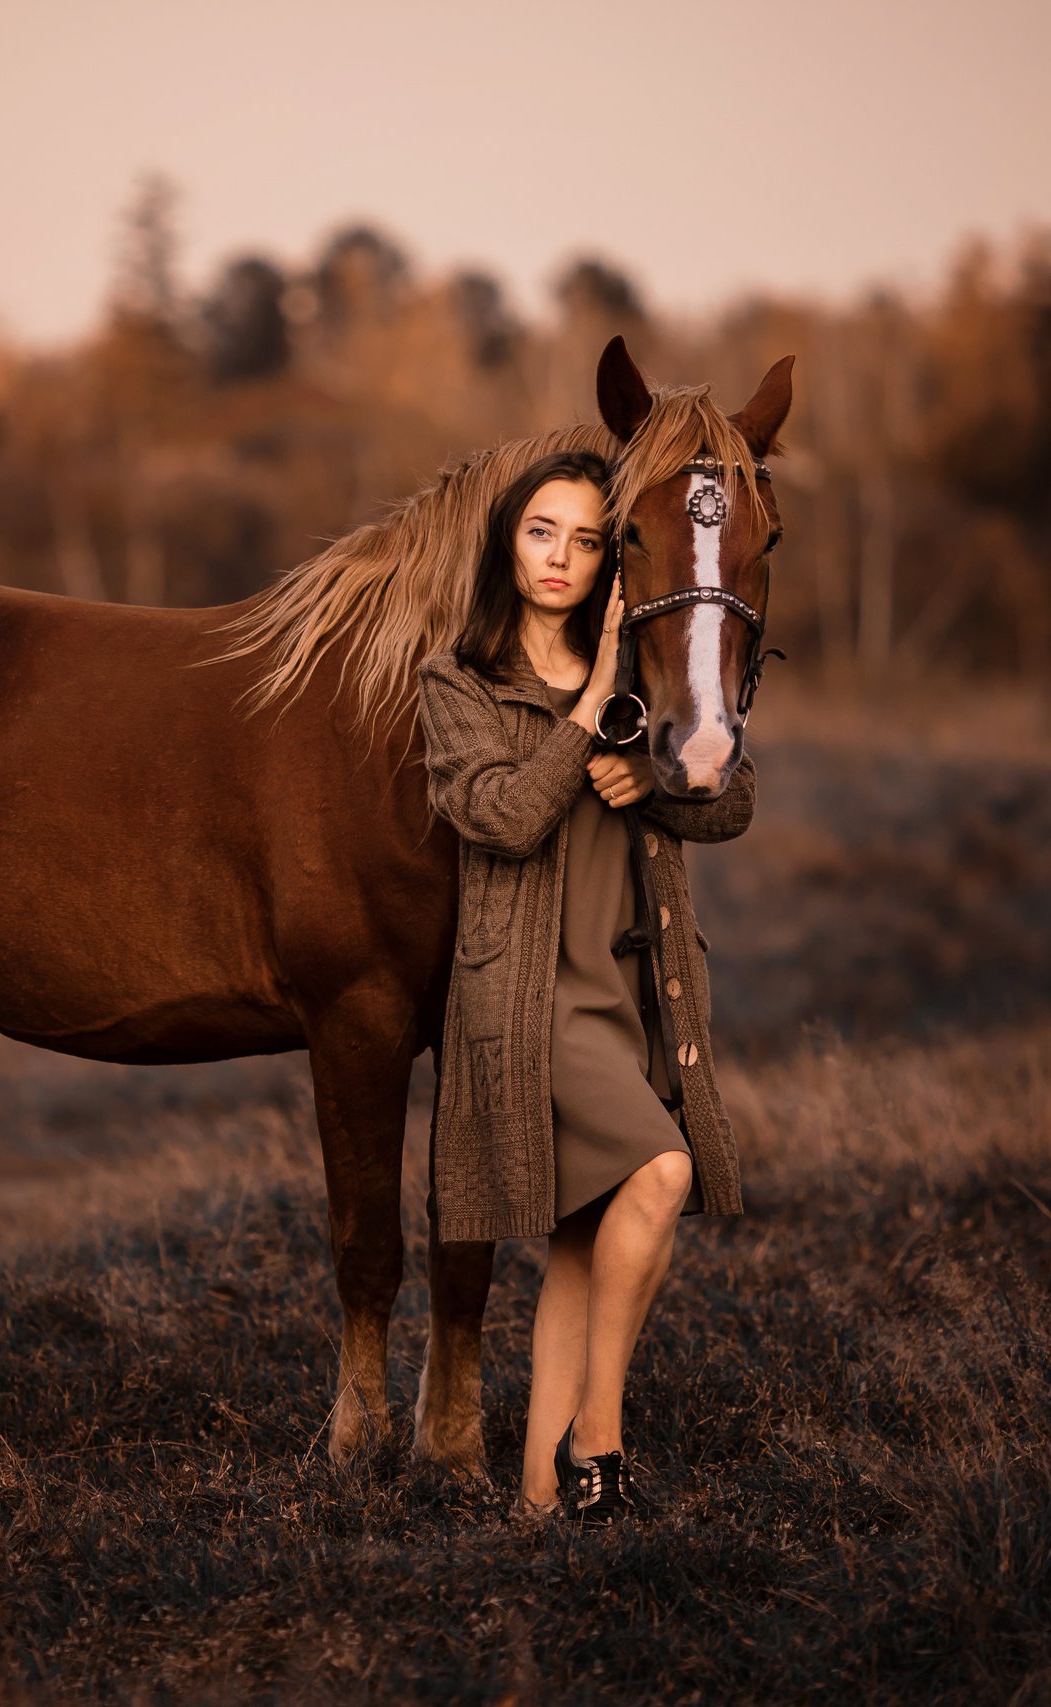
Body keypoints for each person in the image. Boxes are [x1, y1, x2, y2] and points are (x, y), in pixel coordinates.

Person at [416, 449, 756, 1522]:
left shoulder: (655, 675)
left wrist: (647, 778)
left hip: (629, 991)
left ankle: (534, 1503)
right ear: (506, 546)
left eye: (585, 538)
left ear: (613, 555)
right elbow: (505, 819)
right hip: (525, 1000)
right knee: (658, 1172)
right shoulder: (459, 679)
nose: (560, 558)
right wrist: (588, 711)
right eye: (539, 533)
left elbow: (728, 803)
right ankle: (600, 1441)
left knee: (583, 1235)